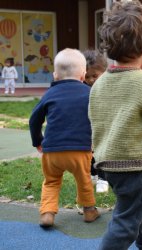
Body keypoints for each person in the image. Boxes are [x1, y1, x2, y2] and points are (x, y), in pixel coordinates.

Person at [88, 1, 142, 250]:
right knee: (127, 220)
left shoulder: (100, 83)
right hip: (135, 165)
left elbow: (96, 122)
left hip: (108, 163)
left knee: (138, 208)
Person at [29, 48, 100, 228]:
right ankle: (89, 210)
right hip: (80, 150)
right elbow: (99, 119)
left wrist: (38, 140)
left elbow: (34, 119)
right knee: (83, 179)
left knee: (51, 181)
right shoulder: (89, 93)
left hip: (52, 150)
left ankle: (47, 213)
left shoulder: (50, 94)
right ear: (83, 74)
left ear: (55, 75)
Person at [82, 49, 109, 193]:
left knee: (101, 152)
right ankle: (93, 174)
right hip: (87, 126)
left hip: (103, 126)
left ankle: (103, 178)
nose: (91, 79)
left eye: (95, 76)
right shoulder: (82, 88)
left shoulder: (107, 87)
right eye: (87, 76)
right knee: (89, 152)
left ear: (103, 72)